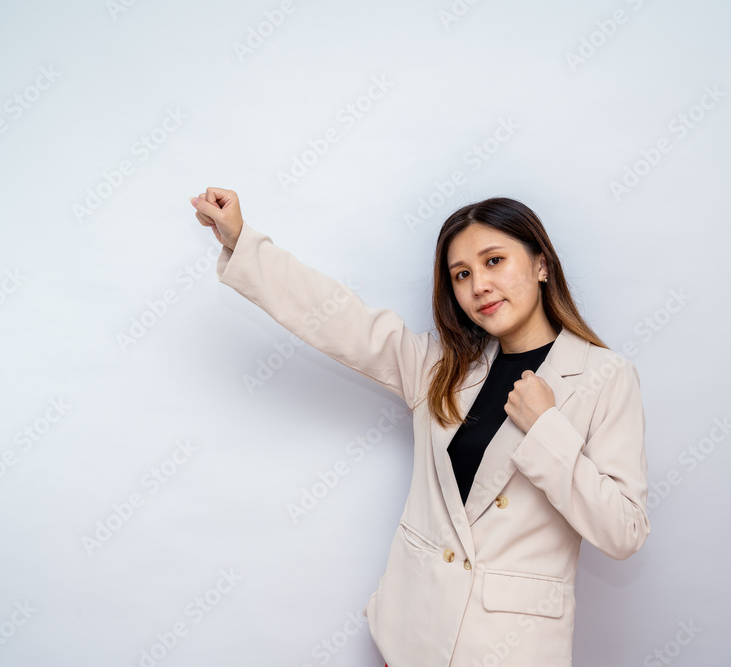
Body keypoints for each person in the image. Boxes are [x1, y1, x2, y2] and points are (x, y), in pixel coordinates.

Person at [190, 188, 650, 667]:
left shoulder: (605, 376)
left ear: (541, 264)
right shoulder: (443, 368)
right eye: (463, 274)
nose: (479, 286)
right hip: (413, 640)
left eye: (495, 261)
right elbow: (338, 317)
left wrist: (548, 431)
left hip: (510, 649)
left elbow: (624, 531)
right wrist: (243, 238)